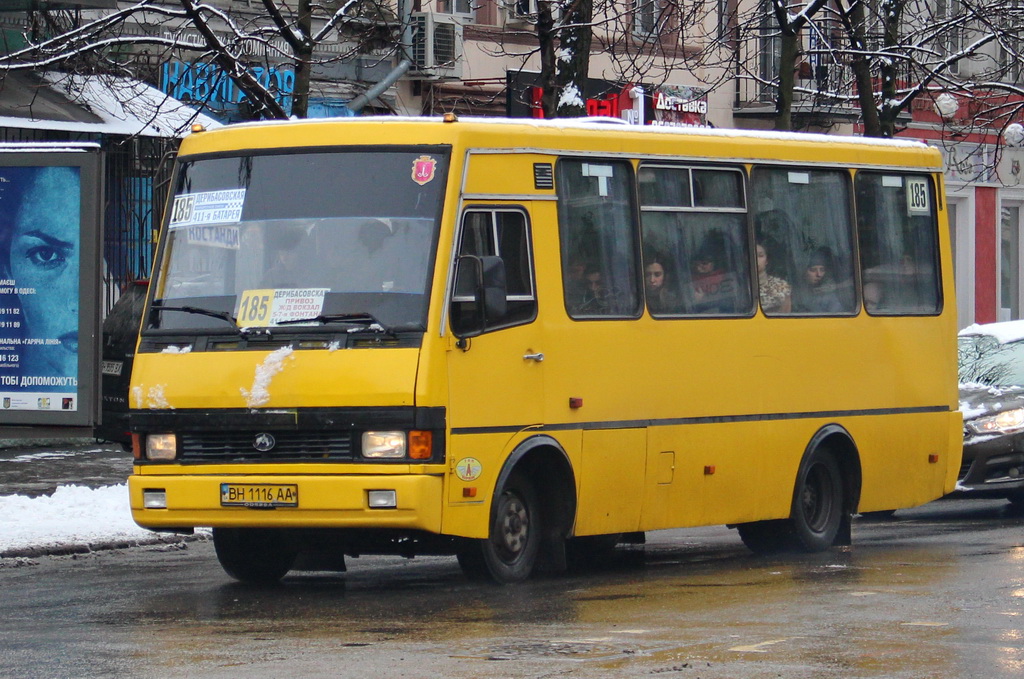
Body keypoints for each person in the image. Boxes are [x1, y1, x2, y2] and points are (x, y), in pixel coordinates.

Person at [793, 247, 844, 313]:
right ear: (803, 271)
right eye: (813, 270)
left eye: (822, 270)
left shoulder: (829, 295)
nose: (819, 274)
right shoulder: (794, 293)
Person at [756, 241, 791, 314]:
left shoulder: (781, 286)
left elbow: (786, 314)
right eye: (751, 255)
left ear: (767, 260)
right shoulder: (739, 287)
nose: (756, 259)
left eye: (760, 256)